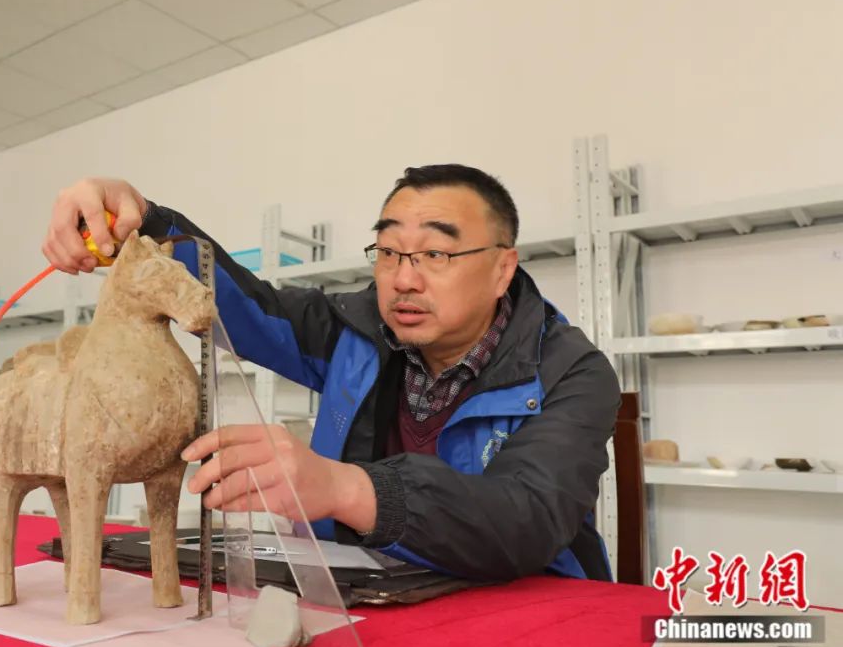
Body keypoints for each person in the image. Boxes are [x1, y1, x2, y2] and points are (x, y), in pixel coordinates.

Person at [42, 165, 620, 582]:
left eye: (436, 254)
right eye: (389, 251)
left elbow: (527, 519)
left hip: (526, 607)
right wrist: (148, 223)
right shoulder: (355, 329)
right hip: (369, 592)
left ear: (501, 270)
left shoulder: (571, 371)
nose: (404, 279)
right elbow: (247, 313)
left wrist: (343, 488)